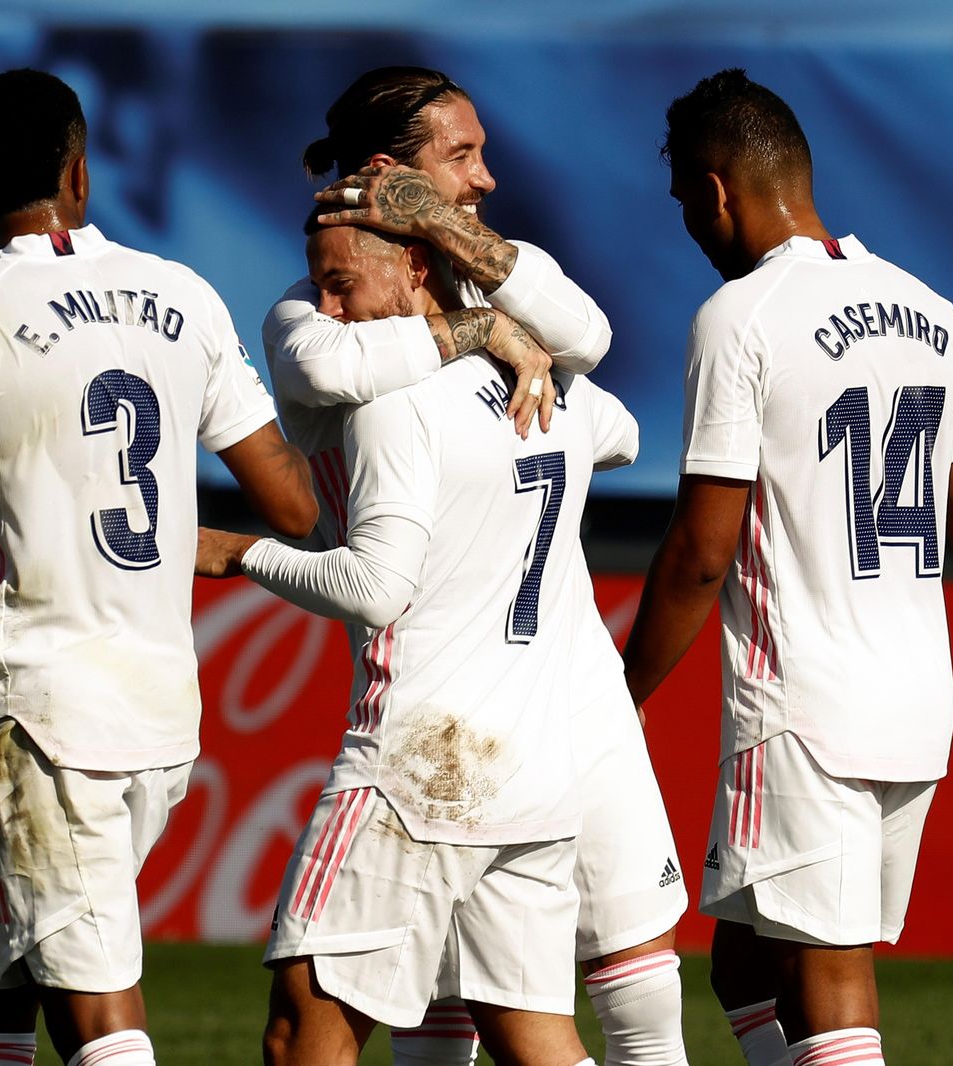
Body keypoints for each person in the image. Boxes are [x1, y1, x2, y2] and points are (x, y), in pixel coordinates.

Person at [0, 69, 316, 1066]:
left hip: (43, 720)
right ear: (80, 172)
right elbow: (293, 503)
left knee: (97, 1015)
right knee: (4, 941)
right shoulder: (184, 294)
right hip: (163, 714)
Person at [266, 67, 688, 1065]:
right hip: (489, 707)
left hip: (524, 693)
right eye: (460, 156)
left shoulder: (492, 289)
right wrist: (481, 334)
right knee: (486, 1004)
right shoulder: (332, 320)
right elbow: (327, 365)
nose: (486, 178)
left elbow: (592, 348)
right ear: (390, 174)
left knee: (631, 972)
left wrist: (461, 258)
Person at [621, 69, 953, 1066]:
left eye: (684, 202)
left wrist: (617, 693)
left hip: (803, 710)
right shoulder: (931, 311)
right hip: (916, 705)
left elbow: (701, 552)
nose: (689, 226)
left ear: (716, 190)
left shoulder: (741, 315)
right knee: (743, 963)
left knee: (829, 975)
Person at [201, 209, 642, 1066]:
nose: (327, 308)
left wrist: (237, 552)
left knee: (302, 1038)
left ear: (412, 265)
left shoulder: (390, 401)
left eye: (342, 284)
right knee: (536, 1041)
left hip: (419, 764)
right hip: (537, 772)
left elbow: (376, 588)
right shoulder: (554, 386)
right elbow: (621, 435)